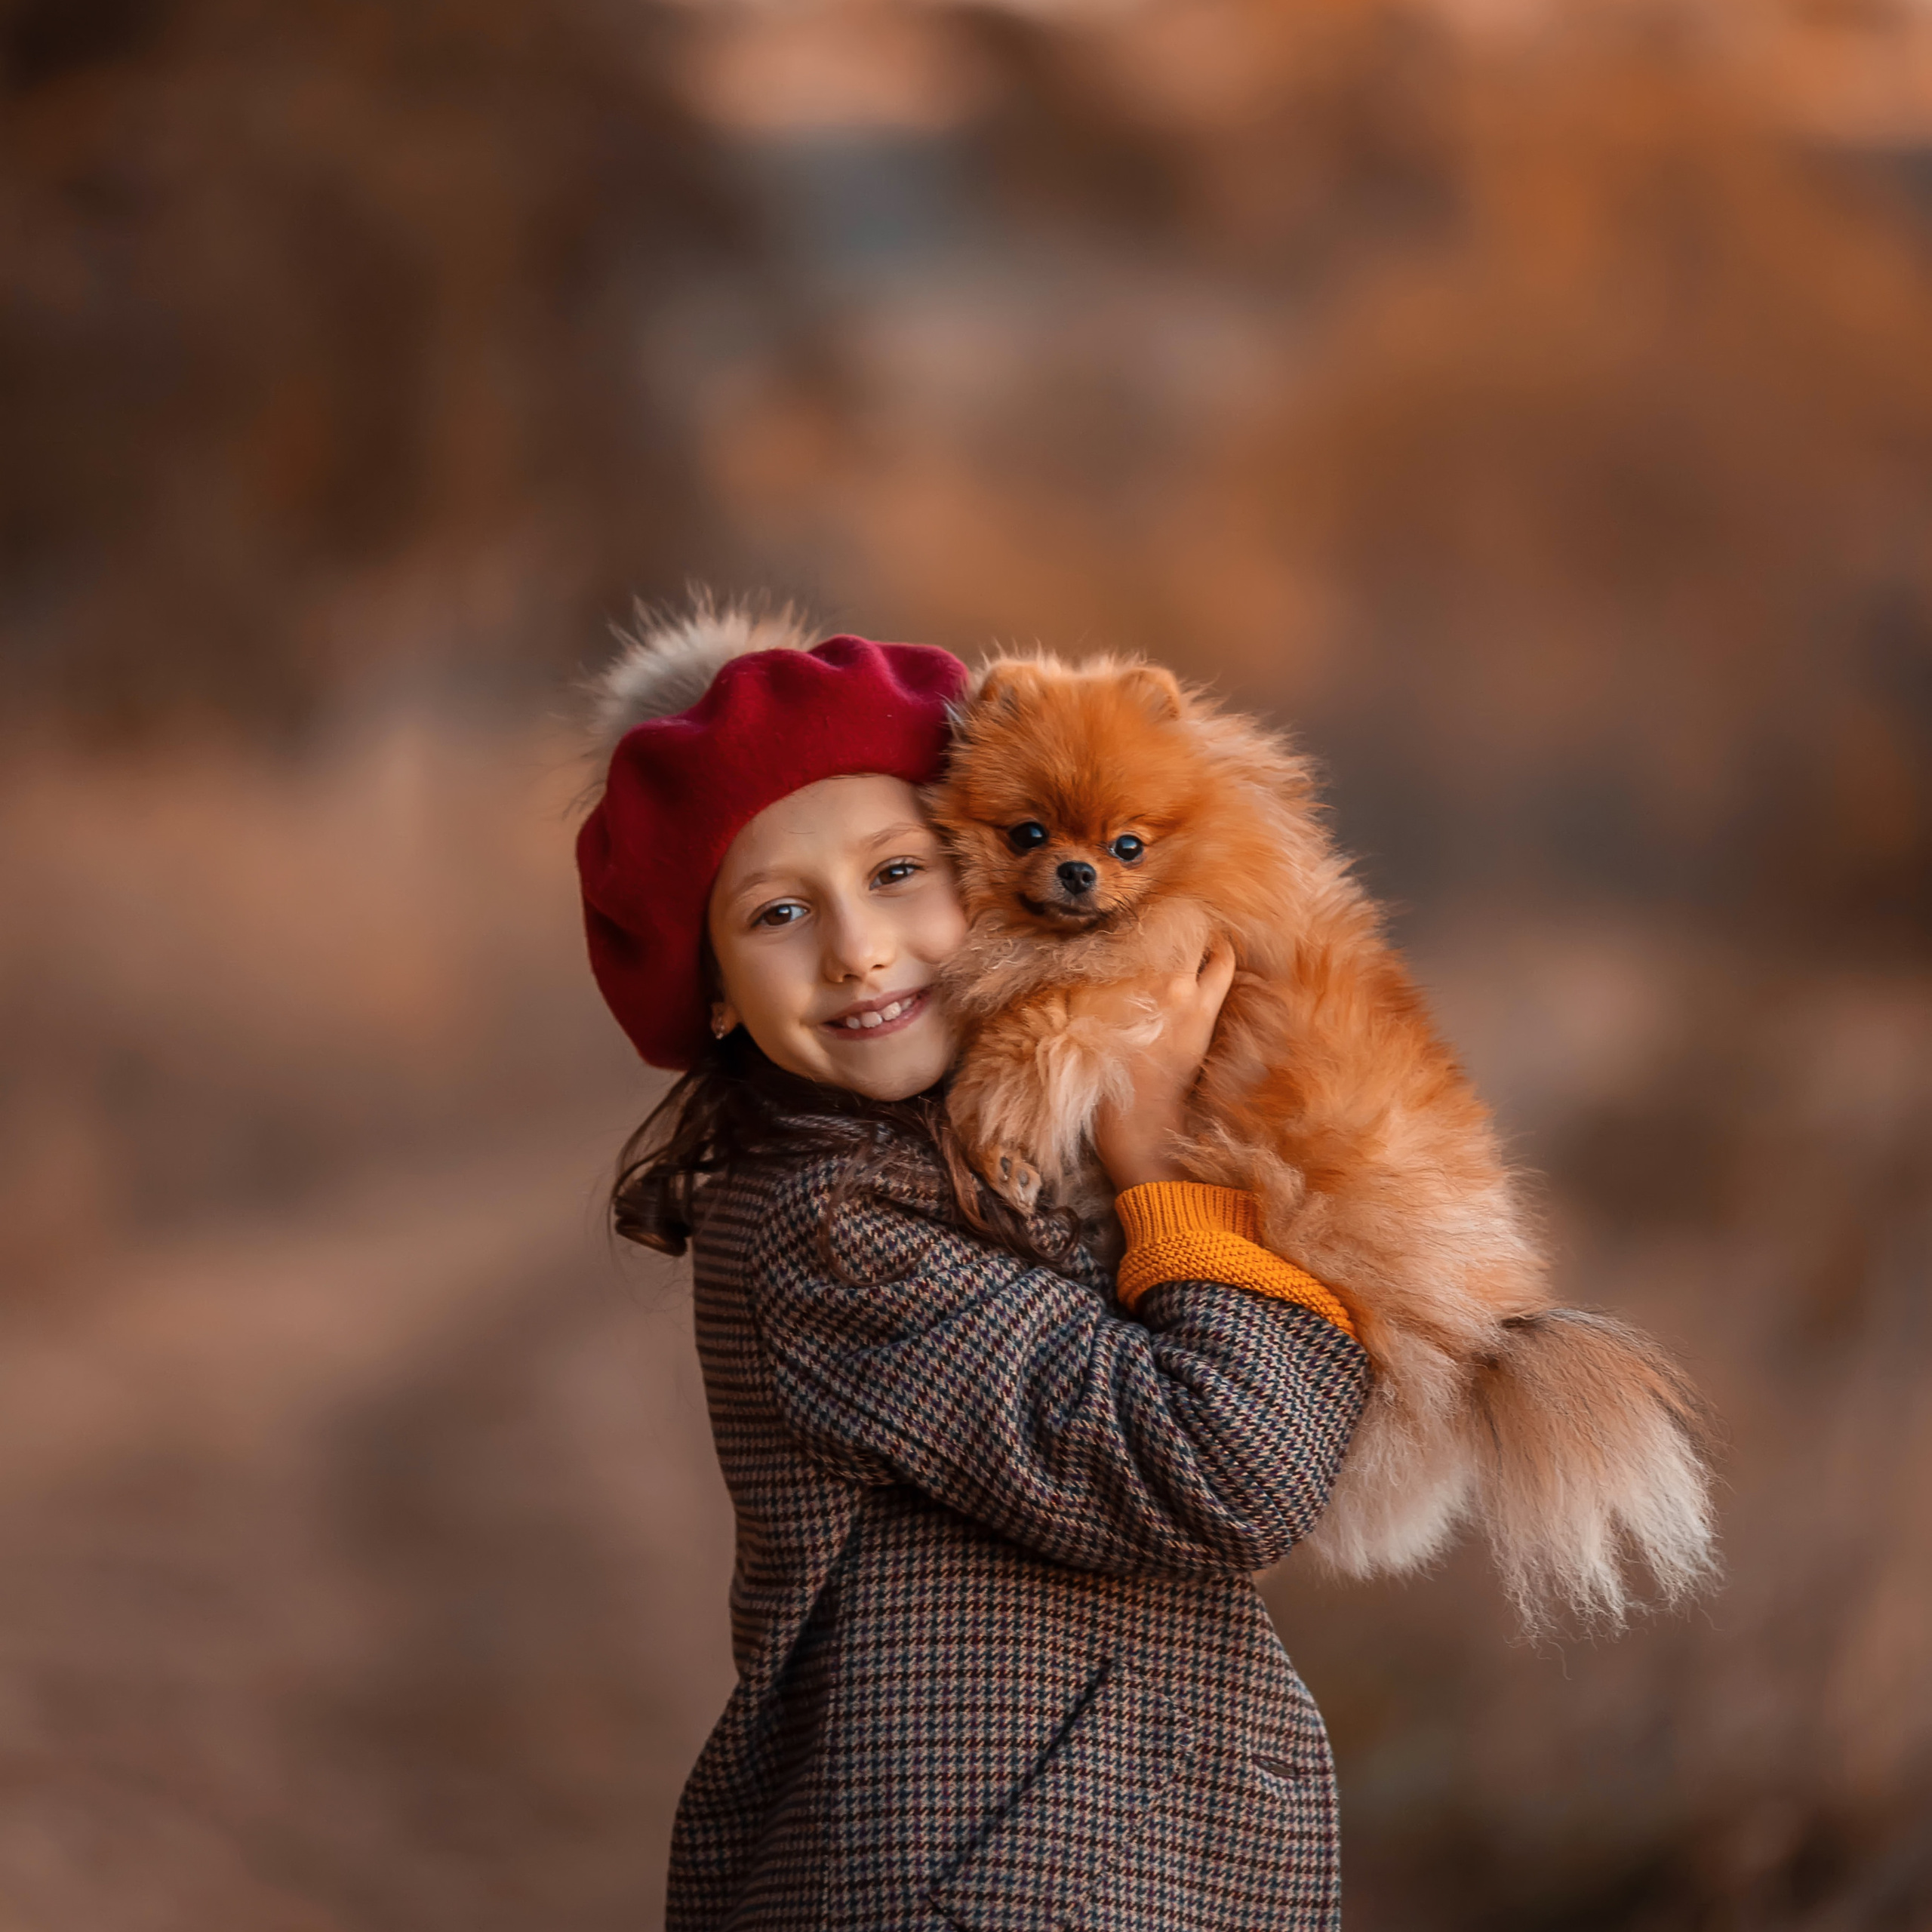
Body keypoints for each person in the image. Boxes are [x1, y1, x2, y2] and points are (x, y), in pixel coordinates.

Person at [574, 612, 1371, 1932]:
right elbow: (1234, 1467)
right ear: (714, 991)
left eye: (898, 874)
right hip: (986, 1885)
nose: (859, 951)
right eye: (779, 914)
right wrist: (1164, 1164)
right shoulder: (831, 1224)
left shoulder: (970, 1153)